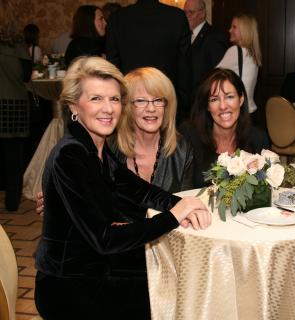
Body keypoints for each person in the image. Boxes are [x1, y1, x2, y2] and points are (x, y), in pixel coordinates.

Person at [34, 56, 211, 319]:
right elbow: (105, 238)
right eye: (96, 99)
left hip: (94, 269)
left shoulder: (97, 150)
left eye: (114, 99)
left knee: (174, 281)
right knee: (168, 291)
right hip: (71, 285)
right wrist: (175, 215)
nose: (108, 109)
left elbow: (141, 190)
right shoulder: (71, 155)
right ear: (74, 106)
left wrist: (179, 204)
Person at [180, 68, 269, 187]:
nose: (223, 106)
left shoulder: (258, 138)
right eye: (214, 99)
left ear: (241, 99)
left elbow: (264, 190)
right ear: (207, 106)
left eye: (229, 97)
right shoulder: (189, 136)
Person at [106, 0, 191, 121]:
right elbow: (184, 67)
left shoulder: (117, 18)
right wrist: (183, 105)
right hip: (166, 98)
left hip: (130, 99)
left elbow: (113, 66)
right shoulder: (177, 17)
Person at [114, 67, 194, 192]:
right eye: (141, 101)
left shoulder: (182, 150)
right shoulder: (110, 150)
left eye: (158, 100)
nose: (151, 108)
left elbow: (186, 203)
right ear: (127, 107)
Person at [0, 2, 31, 211]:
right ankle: (12, 202)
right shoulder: (20, 46)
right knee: (14, 157)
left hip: (6, 103)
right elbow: (26, 76)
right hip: (15, 104)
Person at [217, 14, 262, 113]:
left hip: (238, 111)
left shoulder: (236, 51)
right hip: (250, 110)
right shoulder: (252, 54)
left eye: (234, 27)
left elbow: (213, 76)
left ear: (244, 30)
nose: (230, 30)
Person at [184, 0, 228, 91]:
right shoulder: (186, 36)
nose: (186, 16)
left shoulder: (214, 37)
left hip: (204, 97)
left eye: (191, 12)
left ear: (202, 14)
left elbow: (220, 73)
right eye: (185, 12)